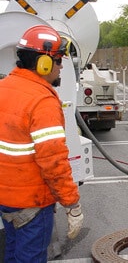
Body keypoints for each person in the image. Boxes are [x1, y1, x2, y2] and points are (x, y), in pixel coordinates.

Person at [0, 25, 83, 262]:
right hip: (32, 203)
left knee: (13, 252)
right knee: (30, 257)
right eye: (58, 61)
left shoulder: (3, 88)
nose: (61, 66)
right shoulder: (42, 101)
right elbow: (54, 162)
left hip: (6, 200)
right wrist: (72, 204)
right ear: (43, 64)